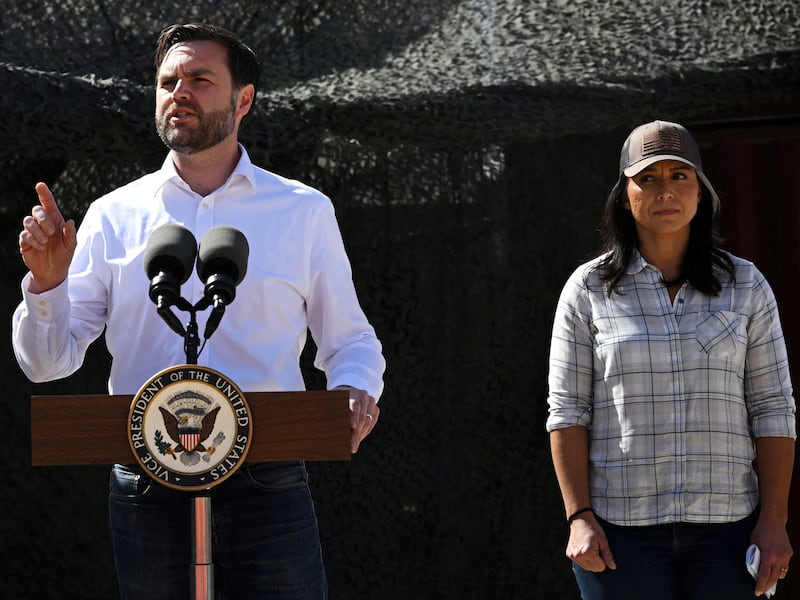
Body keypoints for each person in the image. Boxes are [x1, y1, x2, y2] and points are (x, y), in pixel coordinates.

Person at [13, 23, 385, 600]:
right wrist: (47, 284)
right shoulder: (112, 215)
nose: (178, 91)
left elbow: (350, 340)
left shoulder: (302, 211)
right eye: (167, 81)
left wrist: (355, 388)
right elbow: (47, 364)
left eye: (199, 79)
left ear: (244, 100)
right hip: (147, 481)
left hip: (268, 479)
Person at [546, 120, 795, 599]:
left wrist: (774, 522)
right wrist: (579, 517)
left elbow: (773, 408)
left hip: (729, 531)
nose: (665, 191)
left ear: (701, 194)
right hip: (620, 534)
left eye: (680, 176)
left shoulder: (746, 286)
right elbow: (567, 410)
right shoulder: (588, 290)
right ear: (625, 195)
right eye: (648, 178)